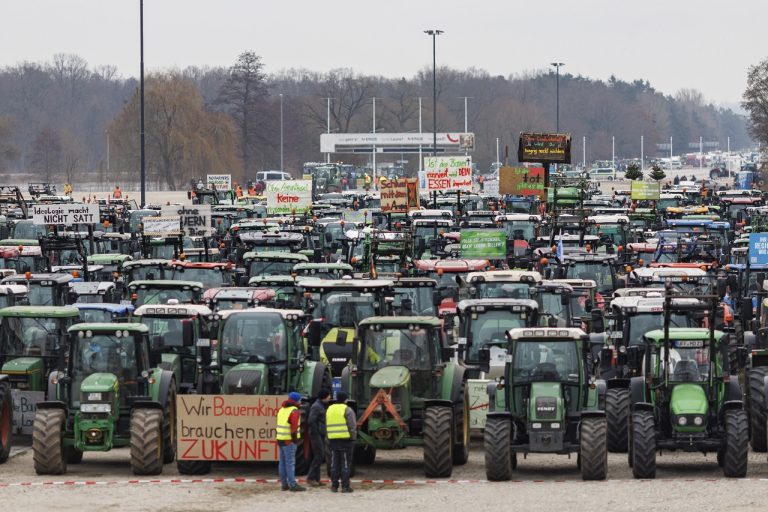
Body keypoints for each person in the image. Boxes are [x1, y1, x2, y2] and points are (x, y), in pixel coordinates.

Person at [326, 391, 356, 493]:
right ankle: (345, 487)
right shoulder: (347, 410)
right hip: (345, 440)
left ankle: (334, 486)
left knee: (334, 464)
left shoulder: (329, 409)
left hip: (332, 440)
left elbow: (326, 424)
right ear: (345, 399)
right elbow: (352, 426)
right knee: (345, 464)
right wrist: (353, 438)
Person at [276, 391, 306, 492]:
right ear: (297, 401)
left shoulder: (281, 410)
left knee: (282, 462)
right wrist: (295, 441)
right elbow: (293, 429)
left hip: (280, 439)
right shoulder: (294, 411)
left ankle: (284, 484)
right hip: (289, 440)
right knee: (290, 463)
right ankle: (293, 485)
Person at [306, 389, 332, 487]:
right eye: (328, 396)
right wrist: (316, 433)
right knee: (319, 456)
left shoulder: (321, 405)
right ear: (324, 397)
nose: (330, 398)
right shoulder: (316, 407)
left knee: (320, 456)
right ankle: (311, 478)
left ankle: (316, 479)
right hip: (316, 435)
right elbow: (311, 421)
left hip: (320, 435)